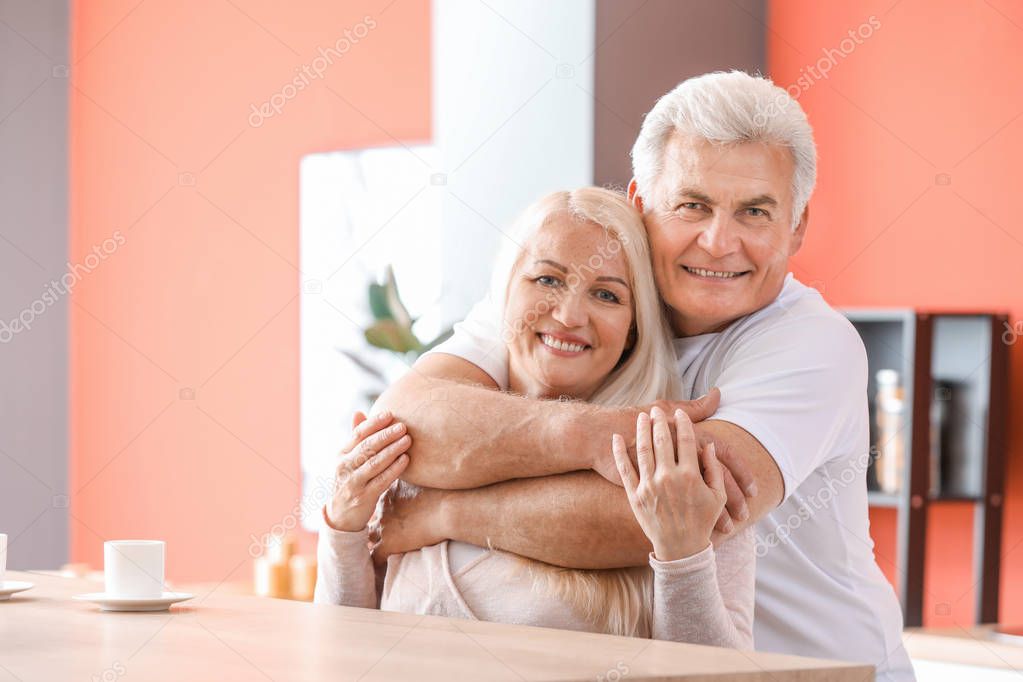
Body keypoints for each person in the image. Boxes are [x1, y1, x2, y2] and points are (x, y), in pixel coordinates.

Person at [362, 72, 915, 681]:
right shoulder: (579, 295)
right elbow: (404, 424)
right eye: (691, 205)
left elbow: (655, 516)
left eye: (755, 212)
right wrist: (598, 437)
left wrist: (441, 516)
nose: (718, 242)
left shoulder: (812, 345)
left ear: (798, 227)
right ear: (640, 201)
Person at [315, 188, 754, 649]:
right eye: (547, 280)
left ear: (632, 331)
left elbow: (721, 673)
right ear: (503, 295)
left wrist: (682, 556)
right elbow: (342, 653)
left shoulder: (677, 466)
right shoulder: (424, 449)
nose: (568, 315)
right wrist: (343, 528)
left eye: (606, 294)